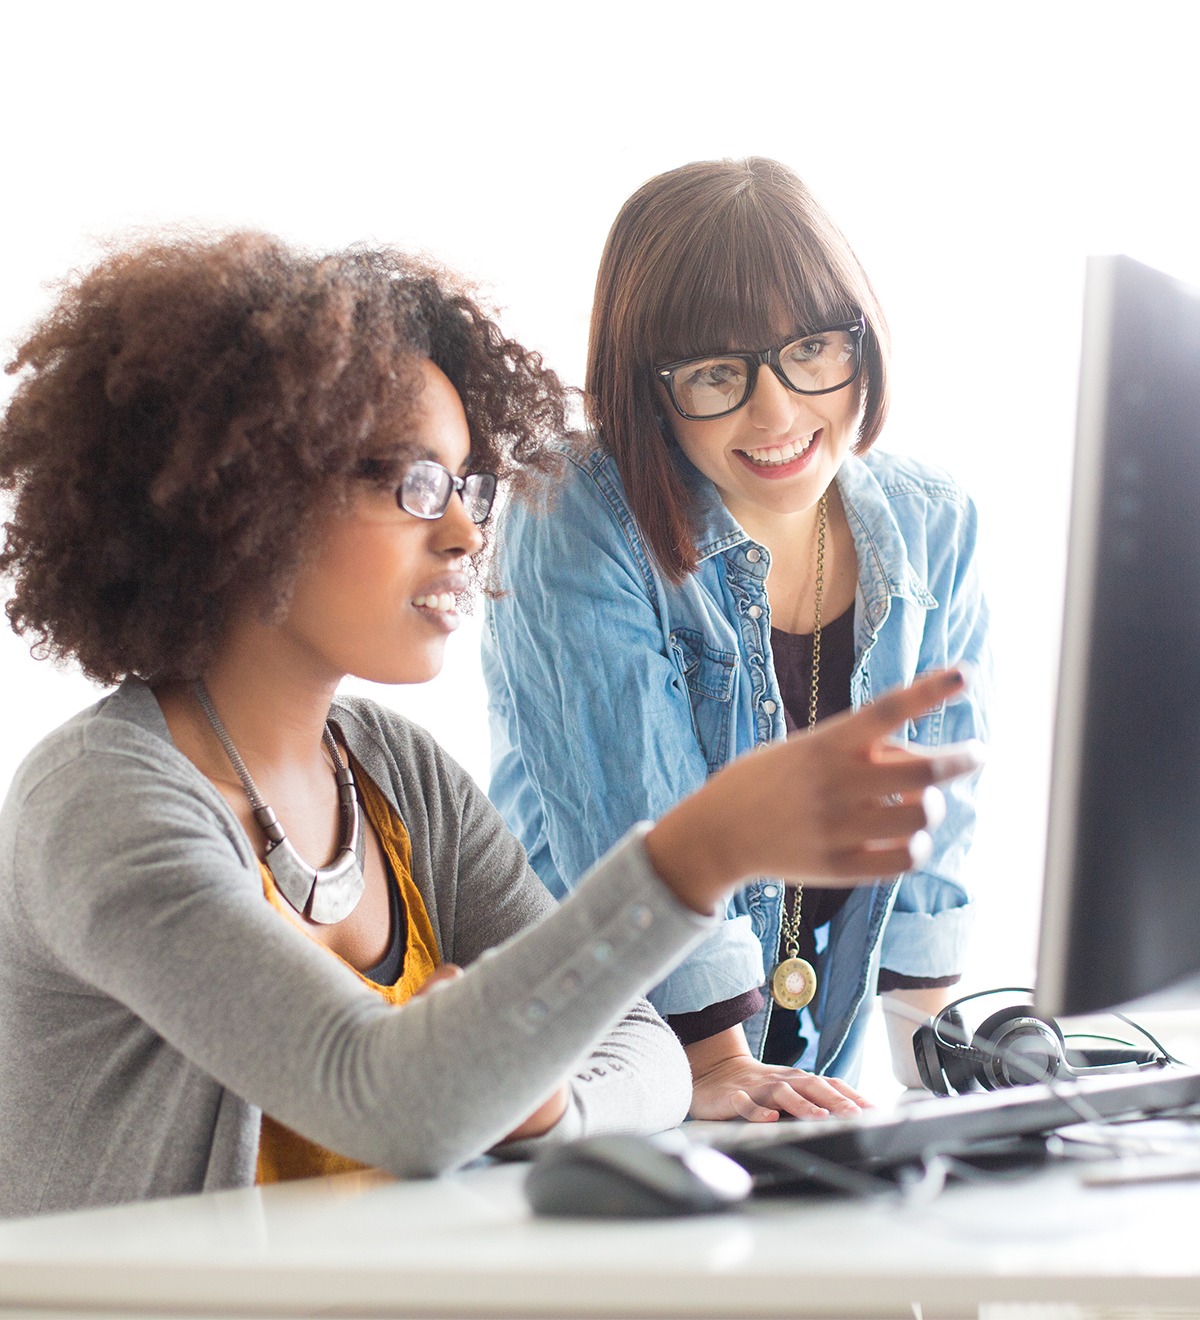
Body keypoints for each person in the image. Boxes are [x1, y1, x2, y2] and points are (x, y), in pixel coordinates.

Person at [0, 232, 977, 1220]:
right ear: (246, 488)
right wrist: (698, 852)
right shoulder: (101, 800)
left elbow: (645, 1053)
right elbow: (398, 1098)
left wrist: (545, 1105)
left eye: (467, 485)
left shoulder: (392, 772)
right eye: (411, 481)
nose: (467, 531)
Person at [483, 158, 991, 1119]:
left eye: (810, 352)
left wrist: (950, 1082)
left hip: (789, 1093)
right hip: (597, 1080)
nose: (776, 412)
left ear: (859, 342)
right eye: (716, 374)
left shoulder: (935, 524)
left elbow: (934, 843)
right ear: (648, 390)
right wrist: (716, 1063)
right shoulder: (574, 510)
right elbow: (629, 821)